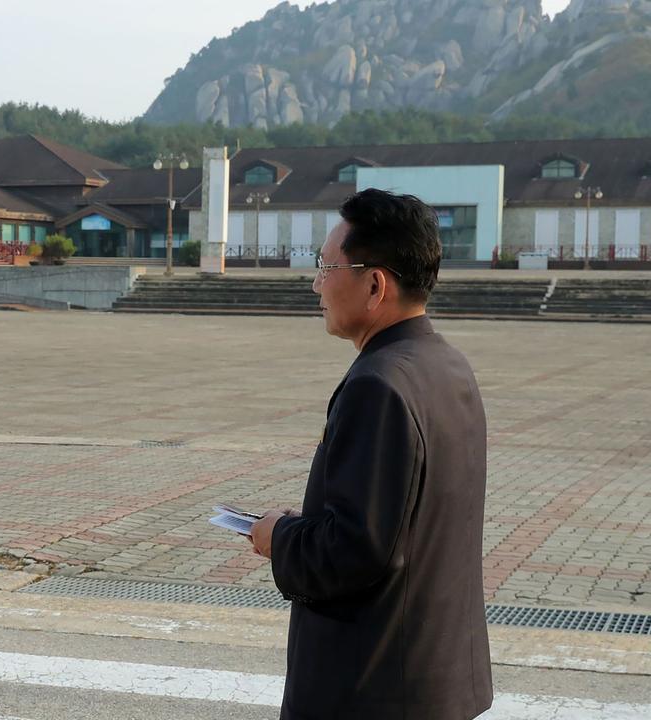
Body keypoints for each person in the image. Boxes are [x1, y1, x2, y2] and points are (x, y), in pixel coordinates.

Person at [249, 189, 493, 719]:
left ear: (375, 283)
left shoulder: (378, 385)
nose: (316, 284)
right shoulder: (446, 365)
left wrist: (278, 536)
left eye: (325, 267)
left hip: (372, 688)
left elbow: (357, 551)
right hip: (434, 676)